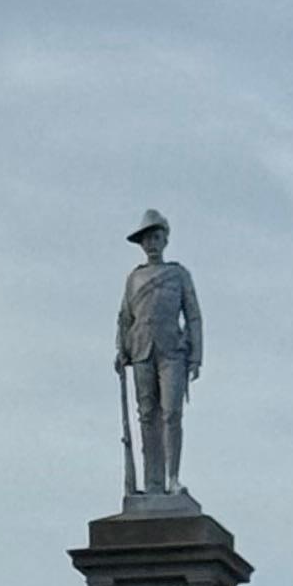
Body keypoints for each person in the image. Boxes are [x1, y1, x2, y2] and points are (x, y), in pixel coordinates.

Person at [115, 210, 203, 496]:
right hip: (141, 350)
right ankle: (152, 481)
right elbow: (125, 317)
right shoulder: (134, 279)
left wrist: (196, 355)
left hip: (171, 351)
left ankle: (172, 477)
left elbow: (193, 317)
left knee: (172, 413)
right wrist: (121, 348)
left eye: (155, 237)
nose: (151, 243)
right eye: (146, 239)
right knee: (147, 415)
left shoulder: (178, 275)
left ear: (165, 239)